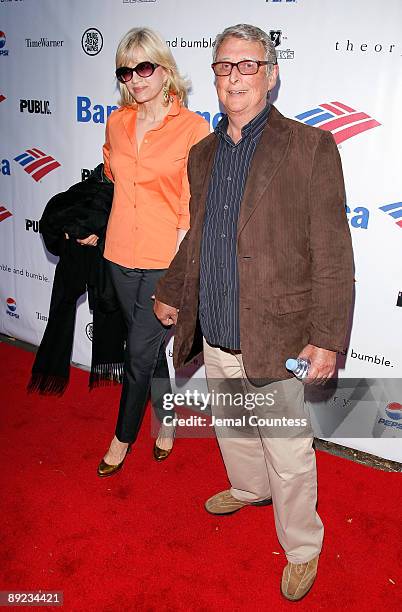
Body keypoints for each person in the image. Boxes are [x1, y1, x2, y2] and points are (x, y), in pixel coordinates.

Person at [154, 24, 354, 601]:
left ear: (270, 74)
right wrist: (171, 288)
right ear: (213, 76)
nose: (234, 76)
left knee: (289, 451)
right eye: (224, 66)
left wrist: (327, 336)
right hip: (216, 326)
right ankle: (248, 490)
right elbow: (199, 237)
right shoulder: (203, 153)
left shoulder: (310, 147)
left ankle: (302, 546)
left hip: (279, 334)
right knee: (234, 429)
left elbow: (334, 252)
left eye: (247, 65)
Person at [97, 27, 209, 477]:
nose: (136, 79)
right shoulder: (116, 122)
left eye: (144, 68)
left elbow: (192, 199)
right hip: (119, 251)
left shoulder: (193, 127)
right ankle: (167, 423)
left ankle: (122, 437)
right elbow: (111, 176)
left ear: (165, 70)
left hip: (166, 259)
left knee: (139, 354)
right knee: (148, 349)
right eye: (127, 71)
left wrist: (182, 268)